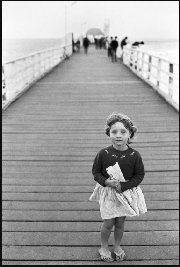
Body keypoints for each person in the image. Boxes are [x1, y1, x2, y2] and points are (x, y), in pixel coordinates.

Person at [89, 112, 145, 262]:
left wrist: (125, 185)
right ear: (109, 133)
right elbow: (96, 172)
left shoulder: (134, 155)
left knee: (120, 222)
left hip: (125, 193)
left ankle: (117, 246)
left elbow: (139, 176)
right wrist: (106, 182)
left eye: (123, 132)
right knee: (108, 222)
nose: (118, 135)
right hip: (109, 192)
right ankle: (104, 246)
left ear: (130, 134)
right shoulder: (103, 153)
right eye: (114, 132)